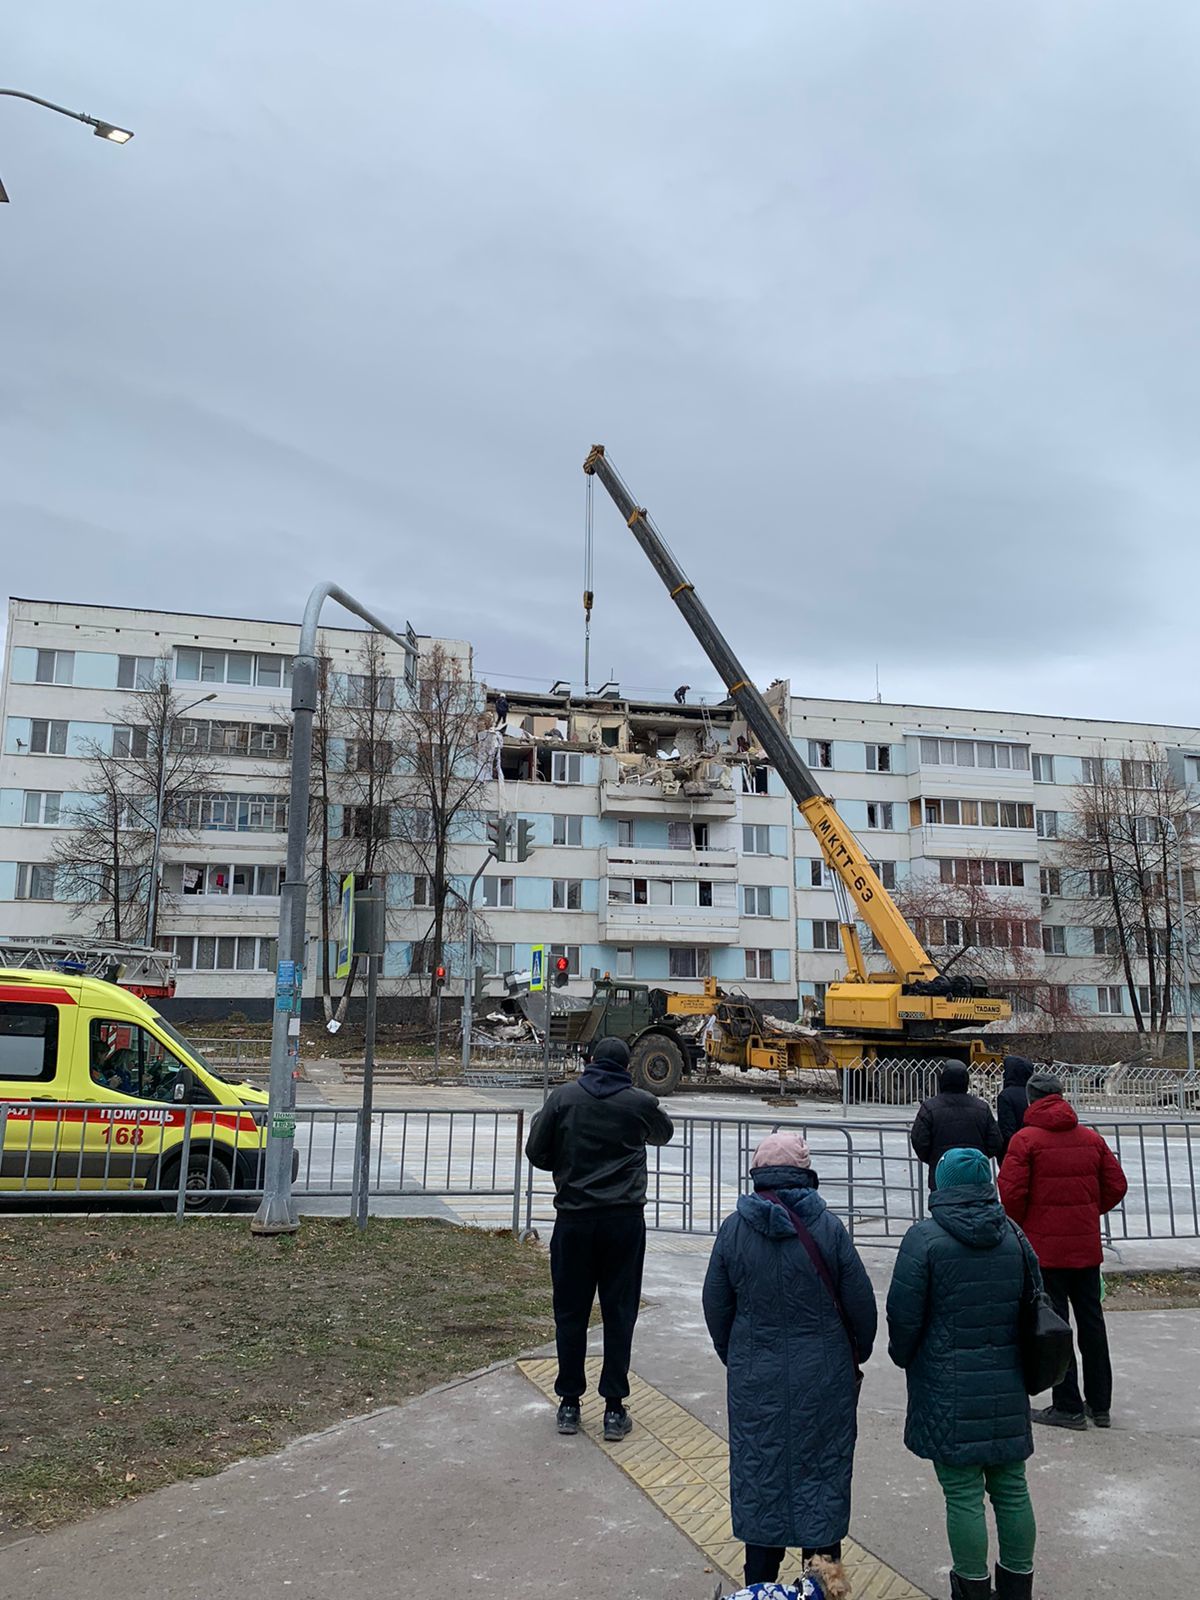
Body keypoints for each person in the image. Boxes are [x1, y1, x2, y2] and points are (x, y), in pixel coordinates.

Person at [702, 1131, 877, 1592]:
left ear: (758, 1174)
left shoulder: (734, 1230)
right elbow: (862, 1309)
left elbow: (715, 1307)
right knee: (822, 1482)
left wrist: (739, 1357)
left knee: (761, 1476)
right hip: (824, 1380)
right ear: (804, 1174)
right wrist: (851, 1355)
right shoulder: (828, 1228)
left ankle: (757, 1586)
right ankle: (824, 1587)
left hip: (756, 1380)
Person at [887, 1147, 1038, 1600]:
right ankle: (1017, 1587)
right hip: (1007, 1382)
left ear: (942, 1185)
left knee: (963, 1494)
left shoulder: (925, 1239)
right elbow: (1035, 1304)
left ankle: (971, 1588)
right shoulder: (1014, 1236)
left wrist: (905, 1356)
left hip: (946, 1386)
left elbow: (903, 1318)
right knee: (1011, 1487)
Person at [525, 1036, 673, 1441]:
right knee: (619, 1312)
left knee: (570, 1313)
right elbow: (664, 1134)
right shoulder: (638, 1102)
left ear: (589, 1061)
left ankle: (569, 1404)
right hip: (623, 1222)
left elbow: (536, 1153)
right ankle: (613, 1408)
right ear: (627, 1067)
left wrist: (568, 1162)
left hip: (573, 1219)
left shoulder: (563, 1098)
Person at [999, 1071, 1128, 1430]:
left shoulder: (1025, 1141)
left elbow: (1010, 1195)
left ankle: (1067, 1404)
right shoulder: (1090, 1138)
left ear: (1032, 1099)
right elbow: (1117, 1185)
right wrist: (1087, 1210)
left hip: (1046, 1251)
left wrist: (1028, 1225)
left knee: (1054, 1325)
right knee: (1092, 1323)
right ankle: (1100, 1404)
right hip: (1085, 1247)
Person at [910, 1062, 1003, 1189]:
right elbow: (995, 1141)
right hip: (975, 1176)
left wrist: (935, 1160)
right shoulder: (982, 1108)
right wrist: (977, 1158)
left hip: (942, 1176)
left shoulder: (929, 1107)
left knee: (945, 1207)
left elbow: (919, 1141)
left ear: (942, 1080)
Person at [996, 1055, 1035, 1155]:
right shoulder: (1033, 1092)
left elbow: (1007, 1129)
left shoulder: (1006, 1096)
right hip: (1033, 1145)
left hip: (1015, 1149)